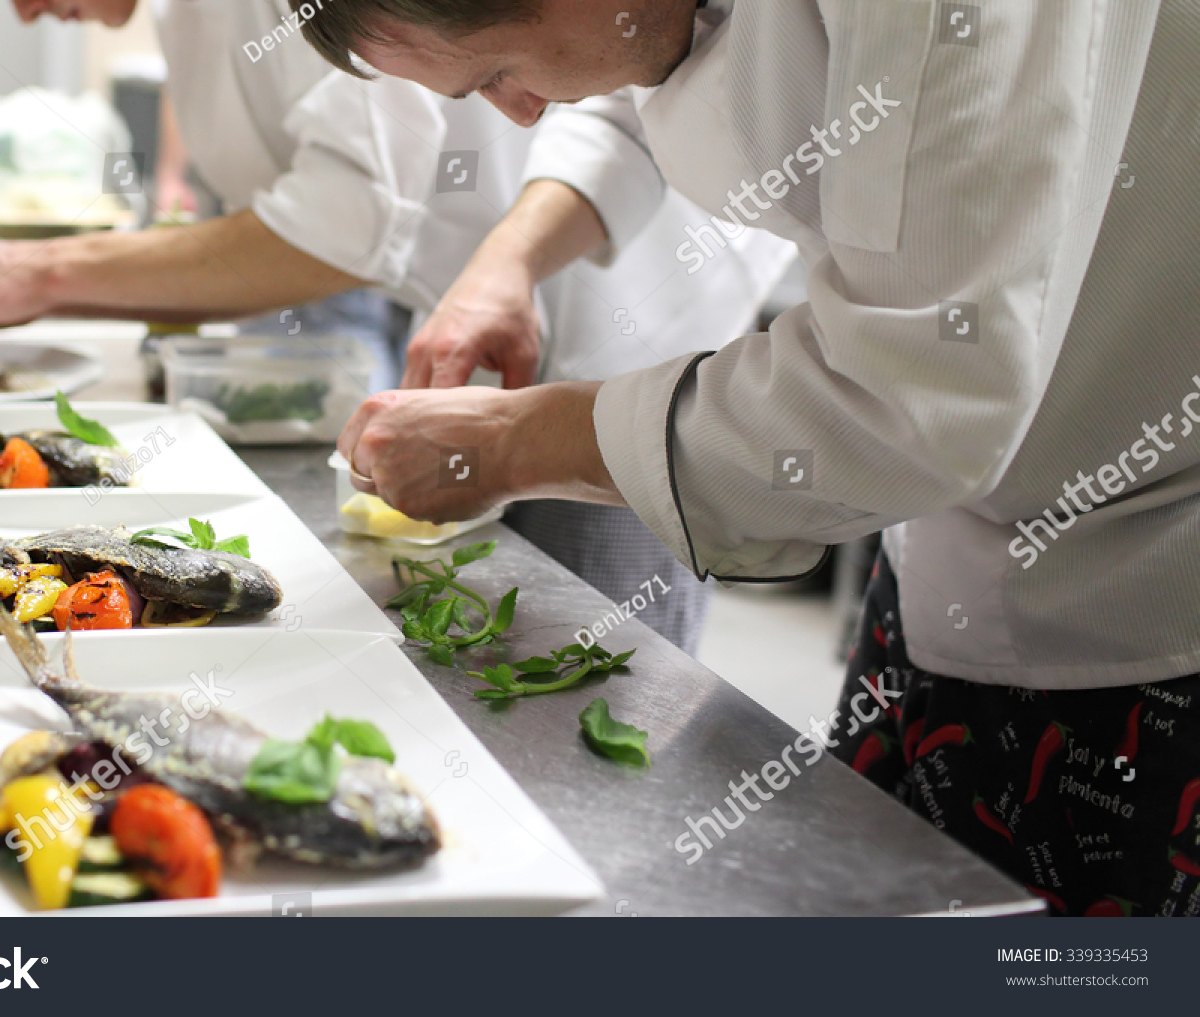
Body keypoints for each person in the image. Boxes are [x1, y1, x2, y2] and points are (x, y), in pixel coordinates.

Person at [301, 0, 1200, 916]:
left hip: (1145, 577)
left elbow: (905, 400)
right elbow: (639, 70)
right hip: (953, 537)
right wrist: (512, 258)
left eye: (496, 74)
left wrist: (508, 443)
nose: (522, 113)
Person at [0, 0, 797, 655]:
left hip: (632, 341)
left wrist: (44, 271)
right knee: (469, 649)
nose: (22, 13)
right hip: (482, 320)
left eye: (497, 82)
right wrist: (498, 272)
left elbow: (350, 220)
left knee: (594, 668)